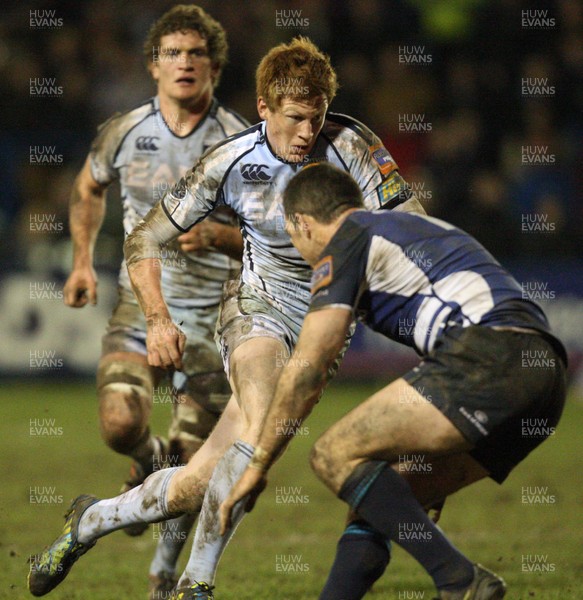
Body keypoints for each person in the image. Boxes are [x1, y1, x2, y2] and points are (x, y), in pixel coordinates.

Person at [29, 38, 423, 599]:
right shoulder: (230, 161)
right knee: (260, 430)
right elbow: (147, 237)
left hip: (325, 326)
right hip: (255, 307)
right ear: (264, 108)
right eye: (294, 118)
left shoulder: (353, 145)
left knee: (206, 476)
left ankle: (92, 520)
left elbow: (412, 221)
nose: (307, 133)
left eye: (316, 118)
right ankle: (197, 584)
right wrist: (159, 318)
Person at [219, 163, 567, 600]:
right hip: (544, 377)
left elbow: (308, 366)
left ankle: (459, 580)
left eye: (292, 236)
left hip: (489, 356)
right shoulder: (409, 228)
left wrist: (257, 465)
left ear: (301, 224)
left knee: (332, 454)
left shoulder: (348, 238)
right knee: (379, 503)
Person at [60, 5, 248, 597]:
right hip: (140, 307)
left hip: (216, 323)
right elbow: (89, 185)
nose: (184, 63)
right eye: (173, 53)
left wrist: (220, 234)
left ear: (214, 66)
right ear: (153, 66)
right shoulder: (125, 130)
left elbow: (278, 230)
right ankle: (148, 454)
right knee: (119, 424)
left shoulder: (240, 141)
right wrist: (84, 260)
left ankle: (164, 574)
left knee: (193, 474)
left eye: (196, 53)